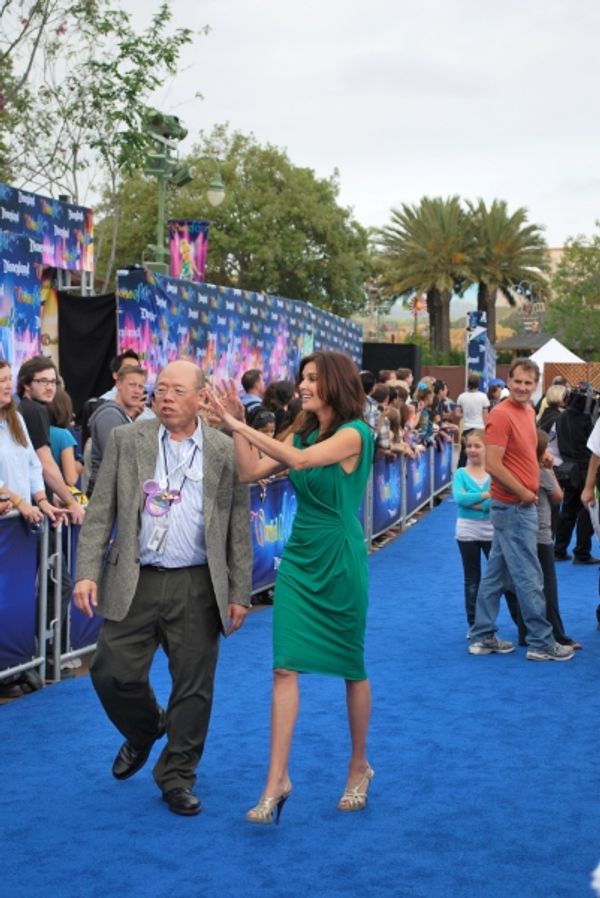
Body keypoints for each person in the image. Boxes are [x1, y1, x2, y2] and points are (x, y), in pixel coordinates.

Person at [73, 360, 252, 817]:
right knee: (111, 671)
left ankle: (177, 776)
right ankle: (145, 727)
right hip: (136, 577)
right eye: (160, 389)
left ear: (200, 397)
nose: (165, 396)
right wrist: (86, 571)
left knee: (193, 686)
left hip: (197, 582)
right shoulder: (125, 440)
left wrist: (239, 592)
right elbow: (101, 511)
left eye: (177, 390)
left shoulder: (222, 449)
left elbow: (236, 527)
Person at [208, 351, 376, 824]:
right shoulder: (300, 429)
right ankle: (275, 780)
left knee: (351, 666)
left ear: (336, 384)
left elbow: (299, 461)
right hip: (300, 559)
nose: (303, 385)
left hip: (340, 558)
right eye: (302, 377)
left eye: (313, 378)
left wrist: (240, 427)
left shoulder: (354, 434)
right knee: (284, 668)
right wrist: (237, 425)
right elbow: (248, 471)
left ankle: (358, 766)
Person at [468, 358, 575, 662]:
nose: (523, 387)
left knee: (495, 575)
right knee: (529, 575)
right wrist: (524, 493)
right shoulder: (501, 415)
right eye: (517, 382)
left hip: (513, 506)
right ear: (508, 380)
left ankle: (482, 635)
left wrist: (539, 465)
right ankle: (542, 642)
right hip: (515, 506)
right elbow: (493, 464)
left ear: (536, 385)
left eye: (529, 383)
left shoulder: (528, 411)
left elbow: (522, 453)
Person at [0, 359, 67, 698]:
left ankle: (18, 664)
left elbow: (31, 464)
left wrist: (41, 500)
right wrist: (19, 503)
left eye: (7, 380)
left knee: (21, 597)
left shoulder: (15, 418)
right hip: (9, 522)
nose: (5, 387)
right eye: (0, 381)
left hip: (21, 526)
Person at [452, 429, 522, 634]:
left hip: (493, 531)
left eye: (477, 446)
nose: (472, 450)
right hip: (466, 532)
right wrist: (485, 495)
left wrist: (476, 499)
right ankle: (474, 625)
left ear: (486, 448)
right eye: (468, 446)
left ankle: (522, 624)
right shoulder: (460, 474)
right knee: (472, 580)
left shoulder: (495, 473)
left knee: (506, 578)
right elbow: (459, 499)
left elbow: (496, 499)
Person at [535, 429, 580, 649]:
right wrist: (550, 469)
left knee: (521, 582)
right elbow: (558, 497)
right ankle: (557, 634)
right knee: (548, 584)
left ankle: (527, 630)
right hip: (541, 534)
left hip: (525, 533)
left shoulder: (522, 469)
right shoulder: (542, 472)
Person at [86, 364, 148, 497]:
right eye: (132, 385)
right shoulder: (110, 415)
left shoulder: (121, 415)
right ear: (118, 384)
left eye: (141, 387)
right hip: (106, 495)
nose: (137, 391)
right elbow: (116, 457)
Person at [456, 373, 490, 467]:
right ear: (478, 383)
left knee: (463, 456)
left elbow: (457, 413)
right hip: (480, 429)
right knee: (481, 454)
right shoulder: (483, 397)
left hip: (467, 429)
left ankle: (459, 477)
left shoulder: (461, 397)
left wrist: (465, 413)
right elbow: (485, 416)